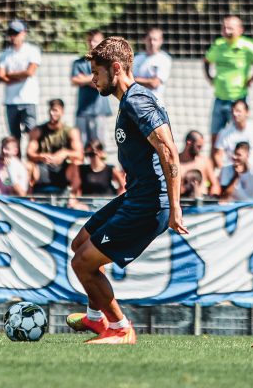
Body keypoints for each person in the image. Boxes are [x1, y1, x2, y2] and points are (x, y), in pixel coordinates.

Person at [66, 36, 185, 345]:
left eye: (97, 73)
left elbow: (170, 152)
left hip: (148, 204)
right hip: (135, 195)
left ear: (115, 68)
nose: (93, 80)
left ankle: (120, 329)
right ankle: (95, 319)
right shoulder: (129, 100)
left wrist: (174, 207)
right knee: (80, 245)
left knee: (82, 263)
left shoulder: (137, 100)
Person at [204, 15, 253, 148]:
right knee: (215, 139)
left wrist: (251, 79)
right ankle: (215, 167)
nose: (227, 31)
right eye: (224, 27)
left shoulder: (246, 46)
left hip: (237, 101)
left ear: (240, 30)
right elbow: (207, 60)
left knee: (236, 138)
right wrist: (209, 77)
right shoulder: (219, 45)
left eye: (230, 28)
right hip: (219, 99)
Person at [0, 19, 41, 147]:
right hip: (11, 102)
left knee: (32, 135)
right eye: (11, 33)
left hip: (28, 100)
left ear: (24, 33)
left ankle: (31, 163)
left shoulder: (32, 51)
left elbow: (30, 72)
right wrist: (20, 76)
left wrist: (9, 76)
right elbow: (0, 76)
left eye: (16, 33)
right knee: (14, 138)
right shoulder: (5, 54)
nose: (13, 36)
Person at [26, 99, 83, 194]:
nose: (52, 113)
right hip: (43, 167)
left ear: (62, 112)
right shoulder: (38, 130)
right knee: (28, 166)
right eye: (51, 110)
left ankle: (74, 199)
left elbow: (80, 155)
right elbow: (29, 153)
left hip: (63, 170)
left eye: (55, 110)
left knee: (76, 165)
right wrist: (41, 157)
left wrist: (64, 153)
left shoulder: (71, 131)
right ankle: (29, 198)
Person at [71, 29, 112, 145]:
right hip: (83, 110)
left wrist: (84, 79)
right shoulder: (79, 62)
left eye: (95, 41)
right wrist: (95, 77)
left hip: (100, 111)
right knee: (82, 145)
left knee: (100, 146)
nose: (92, 44)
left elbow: (103, 84)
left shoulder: (106, 63)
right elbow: (74, 80)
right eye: (90, 40)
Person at [66, 139, 126, 209]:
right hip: (87, 206)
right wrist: (74, 202)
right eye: (88, 155)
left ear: (101, 153)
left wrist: (117, 202)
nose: (92, 158)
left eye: (93, 154)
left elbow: (123, 186)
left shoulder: (110, 169)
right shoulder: (81, 170)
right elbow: (74, 191)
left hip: (107, 206)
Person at [212, 100, 253, 168]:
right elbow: (218, 155)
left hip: (252, 169)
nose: (235, 114)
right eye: (232, 111)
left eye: (238, 111)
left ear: (247, 112)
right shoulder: (224, 132)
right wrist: (224, 170)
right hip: (232, 169)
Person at [132, 27, 171, 104]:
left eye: (155, 39)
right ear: (144, 40)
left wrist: (133, 80)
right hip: (135, 103)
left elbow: (154, 83)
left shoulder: (164, 59)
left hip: (154, 104)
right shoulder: (137, 58)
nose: (152, 42)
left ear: (161, 41)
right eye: (149, 39)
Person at [179, 130, 220, 198]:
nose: (200, 150)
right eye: (198, 146)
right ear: (189, 143)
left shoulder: (204, 161)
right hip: (182, 202)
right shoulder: (176, 162)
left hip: (201, 202)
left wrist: (211, 199)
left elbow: (215, 185)